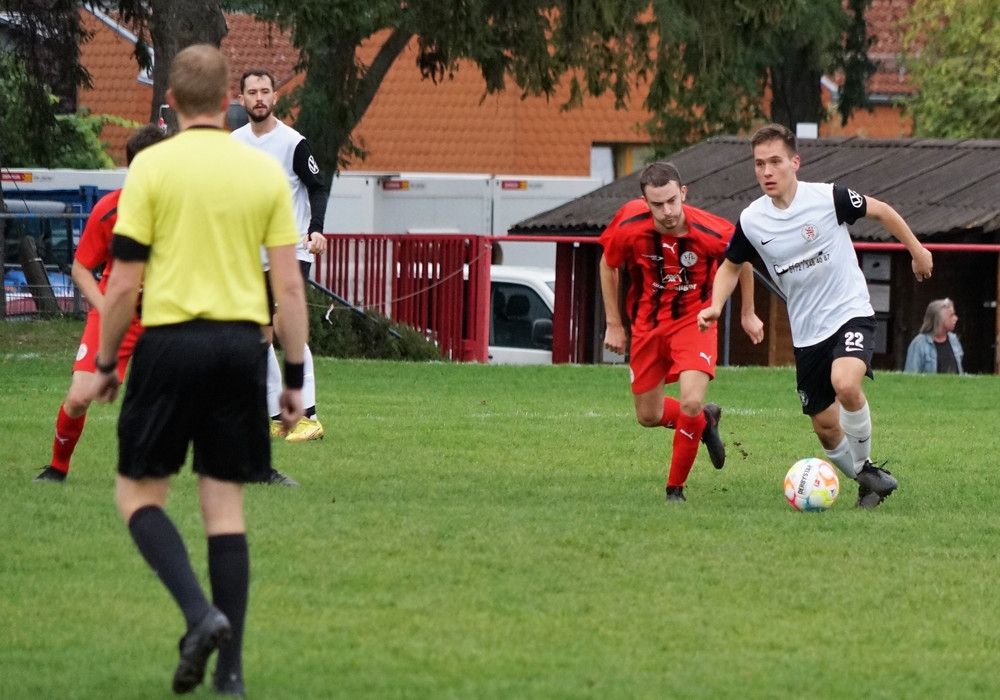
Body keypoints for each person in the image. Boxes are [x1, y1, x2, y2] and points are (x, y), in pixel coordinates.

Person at [83, 44, 308, 697]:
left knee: (137, 495)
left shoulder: (151, 169)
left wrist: (106, 362)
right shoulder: (262, 174)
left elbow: (122, 283)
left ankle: (198, 614)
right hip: (241, 348)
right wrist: (294, 380)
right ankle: (230, 675)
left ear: (173, 102)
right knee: (225, 508)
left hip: (170, 344)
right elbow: (288, 288)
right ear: (229, 101)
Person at [697, 123, 934, 509]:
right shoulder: (752, 220)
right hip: (807, 332)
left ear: (795, 162)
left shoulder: (828, 198)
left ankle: (866, 468)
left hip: (850, 311)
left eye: (775, 162)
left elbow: (882, 211)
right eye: (759, 164)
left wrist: (917, 251)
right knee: (825, 428)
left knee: (846, 383)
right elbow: (730, 265)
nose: (767, 171)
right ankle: (866, 480)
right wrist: (716, 305)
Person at [599, 162, 764, 503]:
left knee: (690, 400)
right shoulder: (629, 223)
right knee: (649, 415)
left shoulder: (711, 230)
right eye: (657, 204)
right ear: (645, 202)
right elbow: (608, 263)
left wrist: (747, 313)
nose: (668, 211)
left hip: (695, 321)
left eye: (672, 201)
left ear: (683, 193)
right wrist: (614, 323)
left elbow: (743, 261)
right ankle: (705, 422)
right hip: (647, 325)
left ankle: (675, 490)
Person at [33, 124, 164, 483]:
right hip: (115, 313)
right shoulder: (109, 210)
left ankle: (246, 468)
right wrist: (108, 310)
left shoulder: (182, 211)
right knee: (79, 396)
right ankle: (57, 468)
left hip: (165, 317)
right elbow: (80, 269)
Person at [232, 68, 329, 445]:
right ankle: (278, 415)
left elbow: (317, 187)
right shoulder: (233, 144)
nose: (259, 98)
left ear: (275, 97)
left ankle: (309, 415)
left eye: (265, 91)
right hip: (250, 255)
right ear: (241, 99)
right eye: (252, 92)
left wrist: (316, 229)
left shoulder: (293, 143)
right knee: (259, 336)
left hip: (290, 250)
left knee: (287, 327)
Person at [904, 298, 964, 373]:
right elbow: (910, 375)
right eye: (951, 315)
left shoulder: (954, 340)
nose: (956, 318)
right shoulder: (919, 344)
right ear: (940, 319)